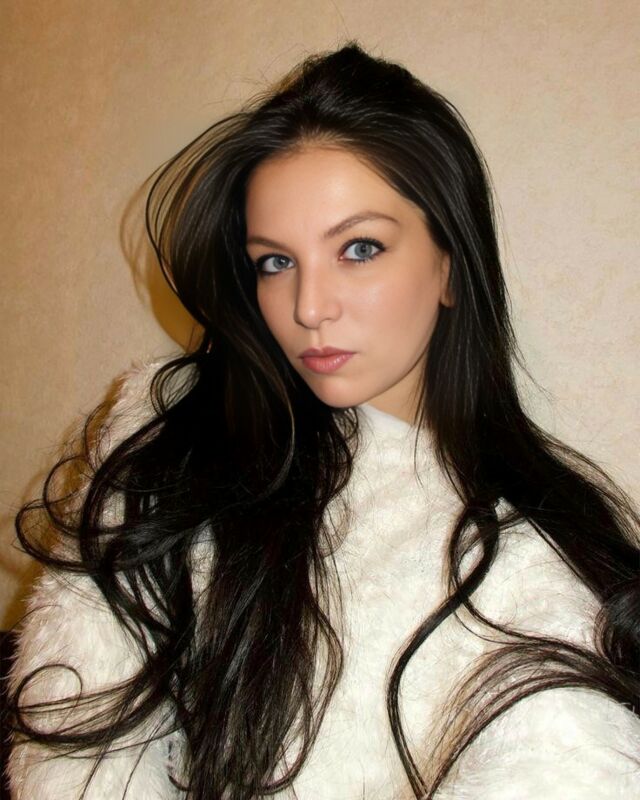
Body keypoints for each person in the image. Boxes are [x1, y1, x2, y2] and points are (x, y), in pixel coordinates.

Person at [6, 43, 640, 800]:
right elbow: (75, 742)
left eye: (358, 249)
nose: (308, 308)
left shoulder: (531, 559)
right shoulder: (173, 442)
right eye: (275, 262)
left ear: (449, 264)